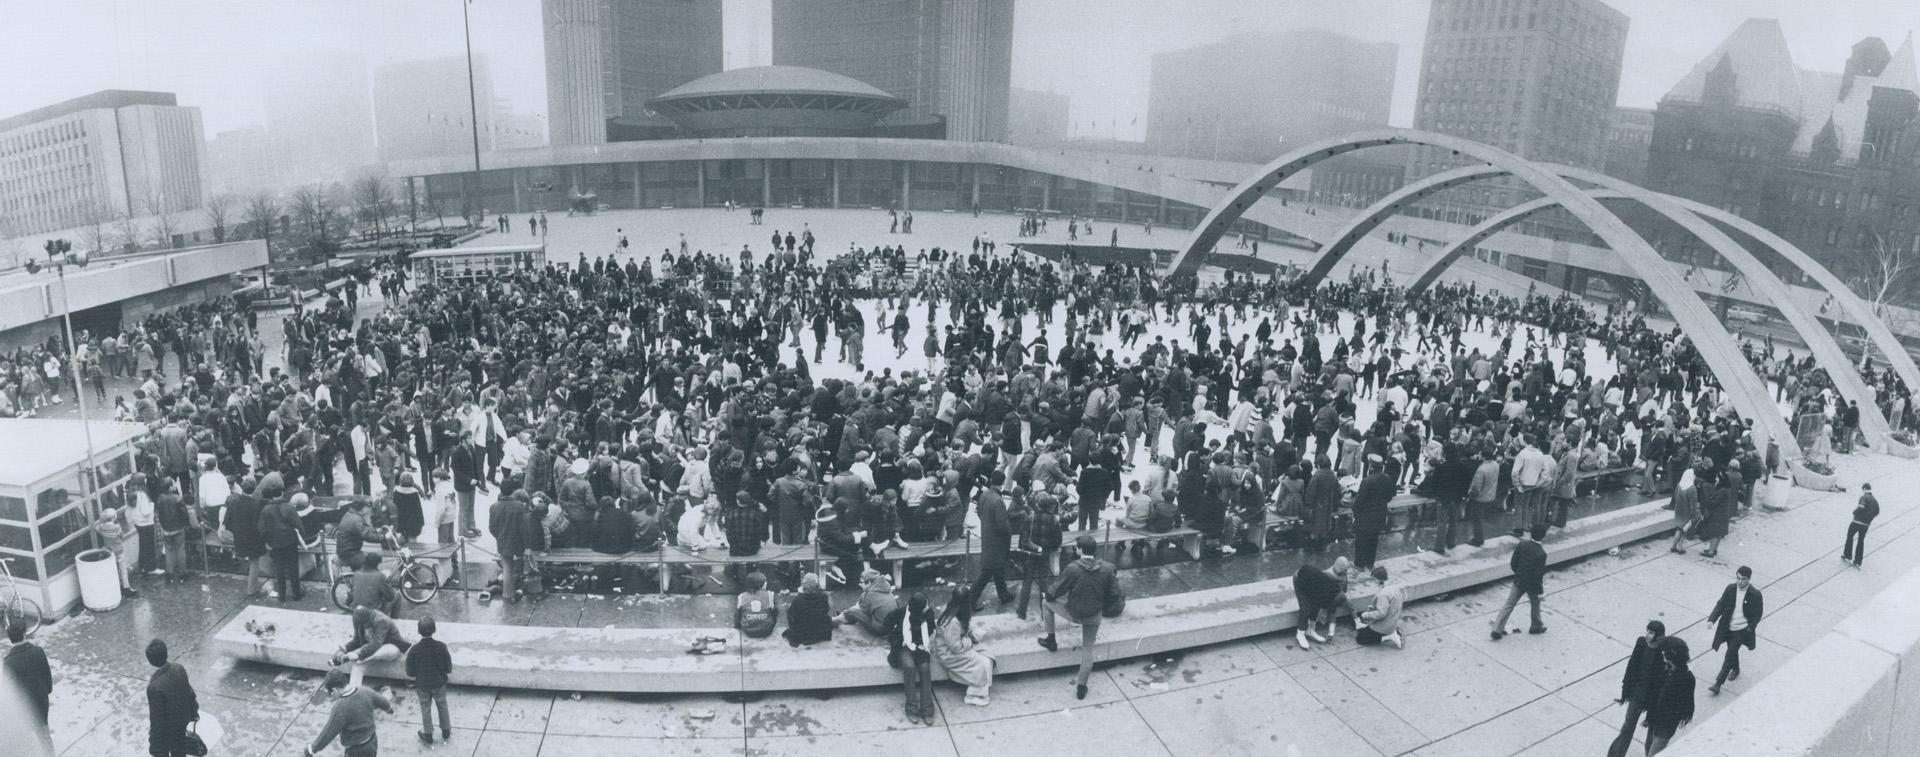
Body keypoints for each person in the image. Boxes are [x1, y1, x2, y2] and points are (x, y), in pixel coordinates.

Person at [1036, 534, 1120, 700]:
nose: (1075, 549)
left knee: (1046, 604)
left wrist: (1048, 595)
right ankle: (1081, 686)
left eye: (1077, 547)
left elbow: (1057, 589)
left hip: (1074, 613)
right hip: (1094, 616)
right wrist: (1101, 605)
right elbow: (1114, 594)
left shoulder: (1073, 568)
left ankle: (1051, 639)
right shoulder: (1108, 568)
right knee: (1088, 650)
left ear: (1081, 550)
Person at [1607, 620, 1667, 757]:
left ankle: (1650, 753)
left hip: (1654, 698)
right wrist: (1626, 691)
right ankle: (1616, 754)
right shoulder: (1641, 643)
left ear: (1659, 636)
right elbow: (1632, 666)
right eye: (1647, 631)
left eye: (1651, 633)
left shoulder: (1665, 651)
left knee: (1652, 730)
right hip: (1638, 694)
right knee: (1628, 726)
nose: (1647, 635)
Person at [305, 666, 392, 757]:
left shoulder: (340, 706)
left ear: (334, 690)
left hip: (356, 750)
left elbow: (328, 733)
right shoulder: (364, 690)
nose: (331, 696)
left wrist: (312, 749)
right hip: (372, 741)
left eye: (330, 694)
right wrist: (389, 709)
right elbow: (382, 701)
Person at [1706, 565, 1762, 695]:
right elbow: (1721, 604)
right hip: (1728, 627)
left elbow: (1757, 614)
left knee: (1729, 653)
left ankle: (1718, 683)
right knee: (1732, 651)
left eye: (1743, 579)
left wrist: (1750, 628)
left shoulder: (1755, 594)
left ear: (1749, 579)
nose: (1740, 582)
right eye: (1738, 578)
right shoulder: (1730, 588)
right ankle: (1736, 669)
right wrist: (1711, 620)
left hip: (1741, 631)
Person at [931, 598, 996, 706]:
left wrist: (972, 632)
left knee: (987, 656)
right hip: (949, 653)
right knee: (981, 664)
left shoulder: (950, 609)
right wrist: (970, 640)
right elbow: (955, 647)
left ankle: (977, 691)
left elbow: (963, 628)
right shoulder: (952, 621)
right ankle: (972, 696)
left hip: (956, 646)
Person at [1490, 523, 1549, 639]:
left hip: (1519, 580)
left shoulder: (1522, 544)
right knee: (1535, 604)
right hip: (1532, 585)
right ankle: (1536, 626)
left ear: (1531, 533)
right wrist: (1540, 591)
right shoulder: (1541, 553)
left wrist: (1519, 574)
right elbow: (1538, 576)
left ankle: (1497, 629)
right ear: (1543, 536)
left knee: (1509, 604)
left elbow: (1513, 563)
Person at [887, 593, 936, 725]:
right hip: (904, 646)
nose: (927, 607)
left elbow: (930, 629)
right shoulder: (902, 612)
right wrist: (897, 639)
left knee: (925, 668)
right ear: (917, 608)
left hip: (921, 646)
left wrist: (920, 643)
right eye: (924, 605)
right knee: (909, 666)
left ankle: (927, 709)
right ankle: (911, 708)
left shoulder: (928, 614)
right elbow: (887, 622)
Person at [334, 605, 411, 689]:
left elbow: (376, 644)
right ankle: (354, 693)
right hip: (370, 650)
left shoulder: (381, 621)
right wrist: (345, 648)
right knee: (358, 665)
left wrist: (358, 654)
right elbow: (357, 640)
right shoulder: (358, 620)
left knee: (362, 658)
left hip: (391, 647)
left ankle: (361, 657)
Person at [145, 639, 199, 757]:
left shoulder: (154, 687)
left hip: (166, 731)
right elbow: (190, 693)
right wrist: (194, 712)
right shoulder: (178, 668)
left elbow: (157, 720)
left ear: (150, 660)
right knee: (180, 750)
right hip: (182, 722)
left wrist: (154, 745)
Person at [405, 616, 453, 745]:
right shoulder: (441, 647)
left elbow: (409, 672)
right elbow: (448, 668)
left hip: (422, 684)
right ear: (434, 630)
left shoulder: (414, 650)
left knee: (425, 708)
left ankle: (428, 733)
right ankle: (446, 730)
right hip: (439, 683)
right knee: (442, 705)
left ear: (419, 631)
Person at [4, 622, 52, 750]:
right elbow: (47, 676)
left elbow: (11, 690)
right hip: (41, 699)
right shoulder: (38, 651)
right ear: (24, 634)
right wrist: (46, 691)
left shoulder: (8, 662)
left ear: (10, 639)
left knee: (29, 733)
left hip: (24, 705)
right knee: (44, 732)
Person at [1643, 638, 1696, 754]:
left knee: (1654, 752)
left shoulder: (1686, 678)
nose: (1662, 653)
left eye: (1664, 651)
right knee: (1648, 746)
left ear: (1672, 656)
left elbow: (1686, 704)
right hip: (1654, 718)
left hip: (1666, 724)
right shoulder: (1666, 669)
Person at [1291, 555, 1350, 650]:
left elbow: (1321, 603)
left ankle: (1310, 630)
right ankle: (1300, 633)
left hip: (1312, 583)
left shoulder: (1332, 590)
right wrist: (1323, 613)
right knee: (1305, 608)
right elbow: (1322, 601)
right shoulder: (1325, 592)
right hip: (1300, 579)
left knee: (1315, 605)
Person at [259, 492, 306, 601]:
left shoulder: (266, 509)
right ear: (282, 494)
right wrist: (301, 538)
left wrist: (267, 541)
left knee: (279, 569)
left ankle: (282, 595)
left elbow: (262, 529)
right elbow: (298, 524)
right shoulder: (289, 507)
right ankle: (296, 594)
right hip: (290, 541)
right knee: (293, 568)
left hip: (275, 543)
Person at [835, 569, 900, 636]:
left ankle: (835, 621)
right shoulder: (887, 589)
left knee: (852, 611)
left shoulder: (870, 594)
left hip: (879, 630)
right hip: (891, 627)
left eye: (861, 582)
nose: (859, 584)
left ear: (869, 583)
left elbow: (859, 610)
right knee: (855, 611)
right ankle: (845, 616)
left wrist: (846, 613)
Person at [1355, 565, 1404, 649]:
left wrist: (1366, 615)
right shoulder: (1395, 588)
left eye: (1374, 580)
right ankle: (1394, 631)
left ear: (1377, 579)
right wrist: (1374, 607)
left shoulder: (1383, 594)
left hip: (1384, 626)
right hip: (1392, 621)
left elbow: (1381, 613)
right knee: (1363, 630)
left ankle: (1389, 637)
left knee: (1360, 638)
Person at [782, 573, 835, 647]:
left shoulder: (798, 599)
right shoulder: (823, 596)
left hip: (805, 634)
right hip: (820, 632)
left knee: (790, 611)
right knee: (826, 618)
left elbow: (793, 617)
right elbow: (826, 610)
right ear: (817, 585)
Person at [348, 554, 398, 619]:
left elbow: (351, 594)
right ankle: (394, 621)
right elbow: (391, 597)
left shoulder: (356, 574)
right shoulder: (380, 576)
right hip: (372, 615)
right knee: (397, 595)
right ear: (376, 564)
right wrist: (388, 583)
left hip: (355, 612)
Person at [1842, 483, 1878, 568]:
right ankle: (1858, 561)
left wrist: (1854, 512)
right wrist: (1869, 518)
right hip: (1866, 525)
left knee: (1850, 536)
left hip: (1857, 522)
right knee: (1861, 541)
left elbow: (1860, 507)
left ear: (1864, 489)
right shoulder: (1875, 501)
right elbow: (1877, 512)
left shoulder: (1864, 497)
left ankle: (1847, 555)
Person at [736, 571, 779, 639]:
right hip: (766, 631)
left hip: (748, 631)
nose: (766, 583)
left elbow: (738, 614)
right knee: (773, 610)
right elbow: (775, 613)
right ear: (760, 584)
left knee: (739, 612)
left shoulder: (741, 596)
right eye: (765, 582)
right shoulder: (770, 594)